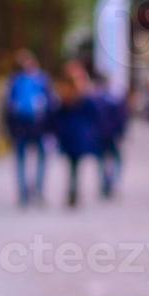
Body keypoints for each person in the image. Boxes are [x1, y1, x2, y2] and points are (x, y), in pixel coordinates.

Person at [2, 50, 55, 207]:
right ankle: (26, 192)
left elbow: (50, 104)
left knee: (36, 159)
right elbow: (8, 107)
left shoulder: (38, 80)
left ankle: (35, 190)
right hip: (24, 125)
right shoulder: (18, 81)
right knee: (24, 160)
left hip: (36, 126)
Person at [53, 61, 104, 209]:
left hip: (67, 135)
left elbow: (56, 116)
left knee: (71, 166)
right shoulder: (85, 96)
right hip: (80, 135)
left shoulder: (64, 96)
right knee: (76, 166)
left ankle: (72, 190)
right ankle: (74, 191)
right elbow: (95, 114)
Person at [92, 76, 128, 200]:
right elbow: (121, 119)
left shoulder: (96, 100)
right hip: (112, 134)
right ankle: (113, 182)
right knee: (116, 159)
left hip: (100, 134)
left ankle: (104, 183)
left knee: (102, 160)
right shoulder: (114, 100)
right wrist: (121, 132)